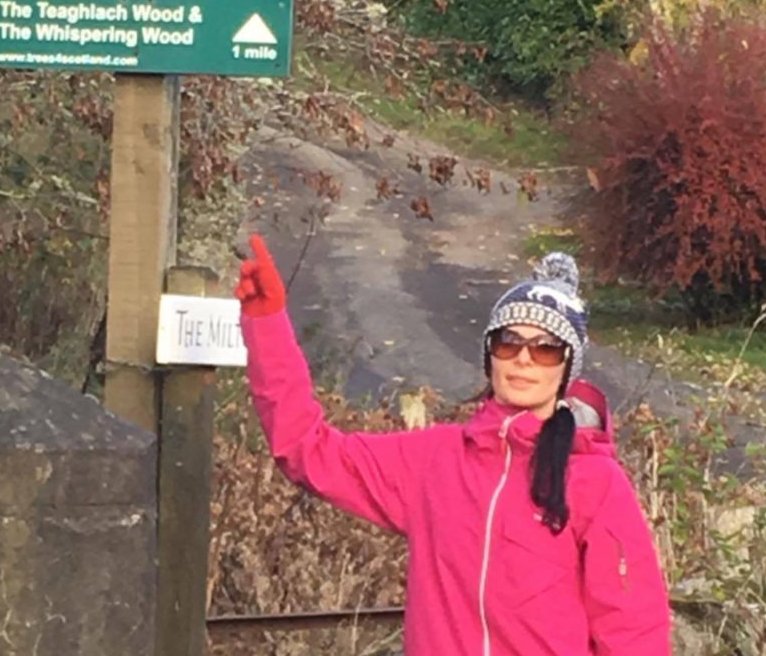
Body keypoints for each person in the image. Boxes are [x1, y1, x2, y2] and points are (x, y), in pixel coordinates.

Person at [234, 234, 672, 656]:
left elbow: (633, 630)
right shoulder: (434, 461)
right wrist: (266, 322)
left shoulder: (595, 481)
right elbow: (309, 450)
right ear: (489, 356)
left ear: (567, 370)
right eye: (509, 342)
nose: (523, 358)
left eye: (546, 350)